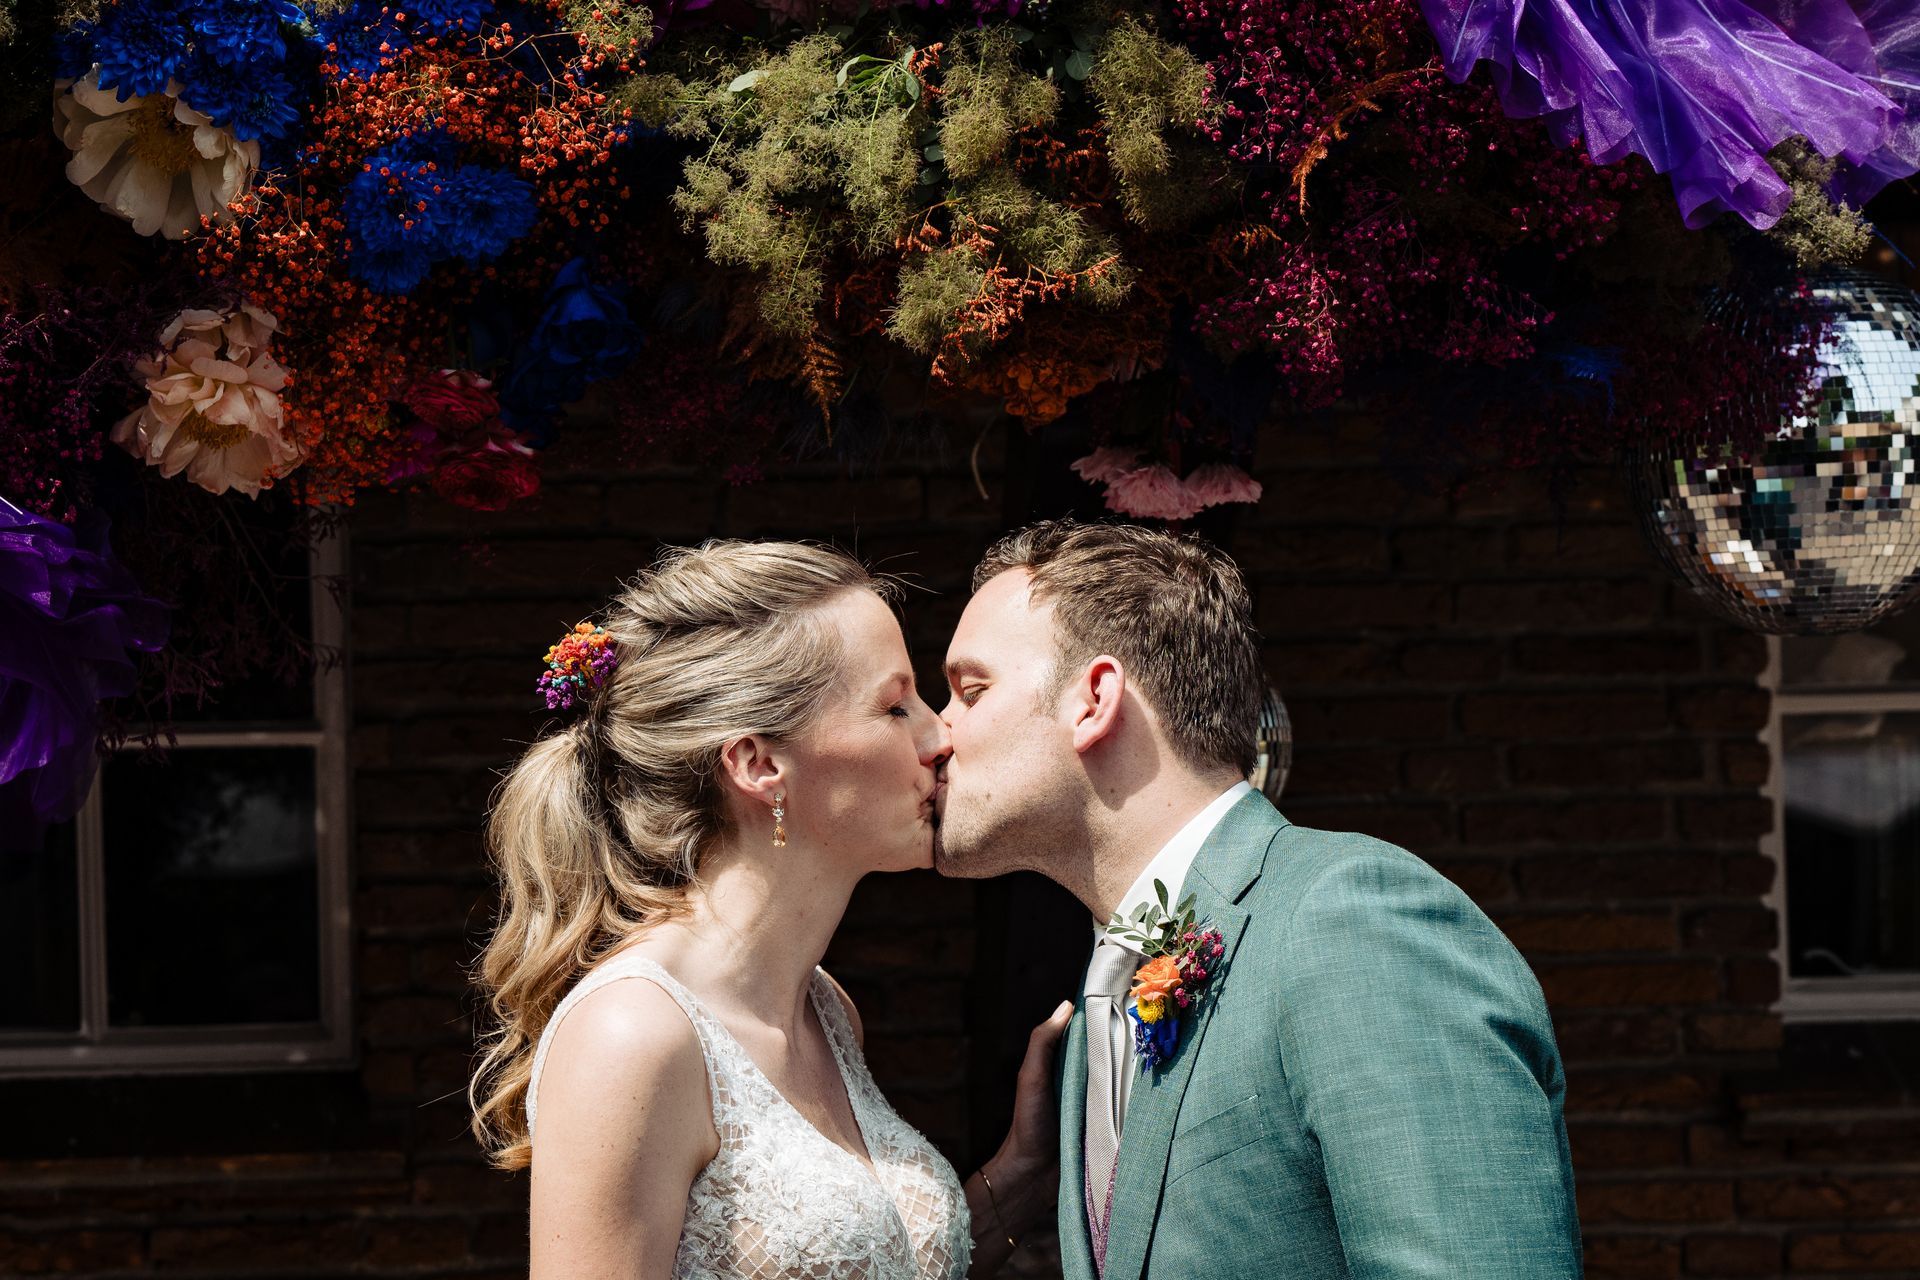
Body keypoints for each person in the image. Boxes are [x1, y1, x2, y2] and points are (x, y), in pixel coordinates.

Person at [933, 519, 1583, 1279]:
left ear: (1094, 699)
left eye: (970, 691)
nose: (937, 736)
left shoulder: (1350, 922)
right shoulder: (1091, 1013)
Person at [469, 540, 1071, 1280]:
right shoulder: (633, 1036)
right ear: (759, 765)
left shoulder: (826, 1009)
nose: (939, 735)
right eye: (894, 706)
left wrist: (1024, 1170)